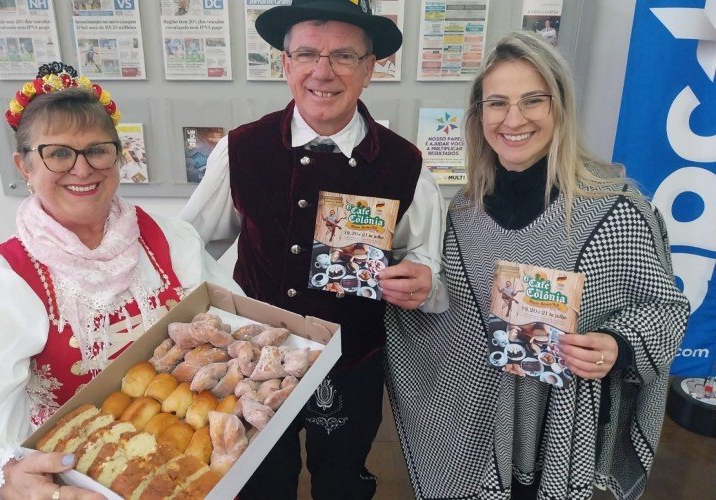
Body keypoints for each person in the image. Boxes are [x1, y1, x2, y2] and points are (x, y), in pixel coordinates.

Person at [385, 32, 689, 499]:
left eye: (532, 101)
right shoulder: (465, 211)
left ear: (559, 107)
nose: (513, 119)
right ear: (479, 114)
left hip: (560, 427)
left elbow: (665, 309)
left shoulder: (615, 211)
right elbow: (455, 318)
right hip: (473, 423)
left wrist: (616, 346)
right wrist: (406, 289)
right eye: (497, 103)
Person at [180, 1, 446, 497]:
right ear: (285, 64)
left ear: (369, 69)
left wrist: (420, 278)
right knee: (258, 482)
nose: (323, 72)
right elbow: (190, 242)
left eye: (344, 56)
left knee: (344, 482)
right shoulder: (242, 149)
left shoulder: (404, 164)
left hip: (351, 363)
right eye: (307, 54)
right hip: (254, 361)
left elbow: (427, 262)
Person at [0, 62, 241, 499]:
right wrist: (10, 476)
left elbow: (228, 320)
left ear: (119, 155)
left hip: (192, 461)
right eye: (58, 153)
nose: (82, 169)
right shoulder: (0, 282)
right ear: (24, 165)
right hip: (80, 479)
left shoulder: (170, 240)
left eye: (98, 150)